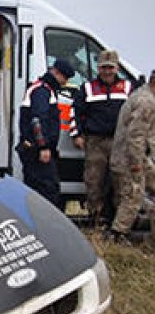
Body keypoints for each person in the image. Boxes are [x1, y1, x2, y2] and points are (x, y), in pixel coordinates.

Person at [76, 49, 132, 226]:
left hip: (120, 142)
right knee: (94, 181)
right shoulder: (87, 88)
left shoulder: (128, 87)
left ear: (117, 68)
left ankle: (117, 222)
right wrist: (77, 134)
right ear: (98, 68)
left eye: (110, 67)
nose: (107, 71)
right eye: (103, 67)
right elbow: (75, 112)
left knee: (120, 182)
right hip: (95, 142)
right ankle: (96, 220)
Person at [19, 60, 75, 208]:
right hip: (36, 150)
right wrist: (43, 147)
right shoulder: (42, 91)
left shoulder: (43, 89)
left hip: (32, 147)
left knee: (38, 189)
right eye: (65, 78)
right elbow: (37, 120)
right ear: (57, 73)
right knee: (47, 189)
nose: (65, 83)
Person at [108, 70, 155, 242]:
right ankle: (118, 234)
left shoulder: (140, 94)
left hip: (137, 156)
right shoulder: (146, 102)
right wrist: (136, 164)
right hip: (130, 158)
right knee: (133, 195)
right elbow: (136, 136)